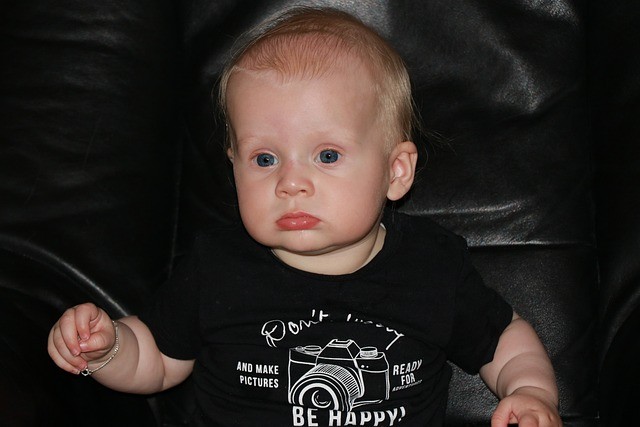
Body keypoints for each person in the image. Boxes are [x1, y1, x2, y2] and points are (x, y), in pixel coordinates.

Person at [48, 7, 561, 427]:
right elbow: (156, 361)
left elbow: (504, 339)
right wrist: (107, 350)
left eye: (327, 155)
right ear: (233, 167)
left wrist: (531, 391)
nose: (290, 182)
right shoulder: (217, 267)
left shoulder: (432, 266)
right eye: (264, 159)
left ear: (396, 171)